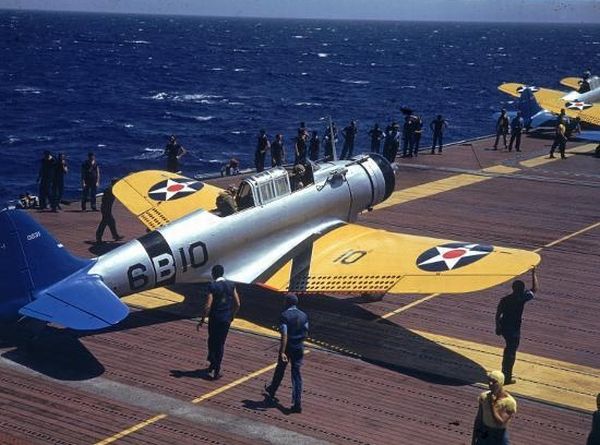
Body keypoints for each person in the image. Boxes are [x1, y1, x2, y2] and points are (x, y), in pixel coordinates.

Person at [264, 293, 309, 413]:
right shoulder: (304, 315)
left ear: (286, 302)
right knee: (296, 375)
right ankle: (297, 402)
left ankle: (272, 390)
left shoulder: (284, 316)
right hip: (299, 347)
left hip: (289, 347)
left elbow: (284, 334)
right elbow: (306, 332)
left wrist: (282, 351)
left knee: (280, 369)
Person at [197, 265, 240, 380]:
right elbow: (238, 303)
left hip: (215, 318)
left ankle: (213, 362)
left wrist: (202, 319)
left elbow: (208, 305)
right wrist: (232, 316)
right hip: (226, 319)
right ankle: (216, 368)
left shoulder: (212, 286)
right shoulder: (231, 285)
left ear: (213, 274)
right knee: (220, 343)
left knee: (212, 340)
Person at [495, 268, 537, 384]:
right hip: (514, 329)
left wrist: (497, 326)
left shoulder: (505, 300)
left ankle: (505, 372)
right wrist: (534, 273)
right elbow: (535, 289)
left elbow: (498, 313)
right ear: (522, 290)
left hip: (504, 326)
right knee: (511, 352)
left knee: (508, 349)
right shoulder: (521, 298)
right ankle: (506, 377)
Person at [472, 370, 517, 445]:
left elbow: (500, 422)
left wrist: (492, 405)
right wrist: (474, 439)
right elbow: (479, 419)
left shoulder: (509, 402)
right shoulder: (484, 397)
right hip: (484, 433)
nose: (490, 384)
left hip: (499, 436)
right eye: (489, 381)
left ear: (501, 383)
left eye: (494, 382)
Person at [95, 178, 123, 244]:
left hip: (106, 208)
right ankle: (99, 237)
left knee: (110, 222)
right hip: (106, 209)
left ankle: (115, 236)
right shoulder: (111, 189)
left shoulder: (110, 189)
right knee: (105, 223)